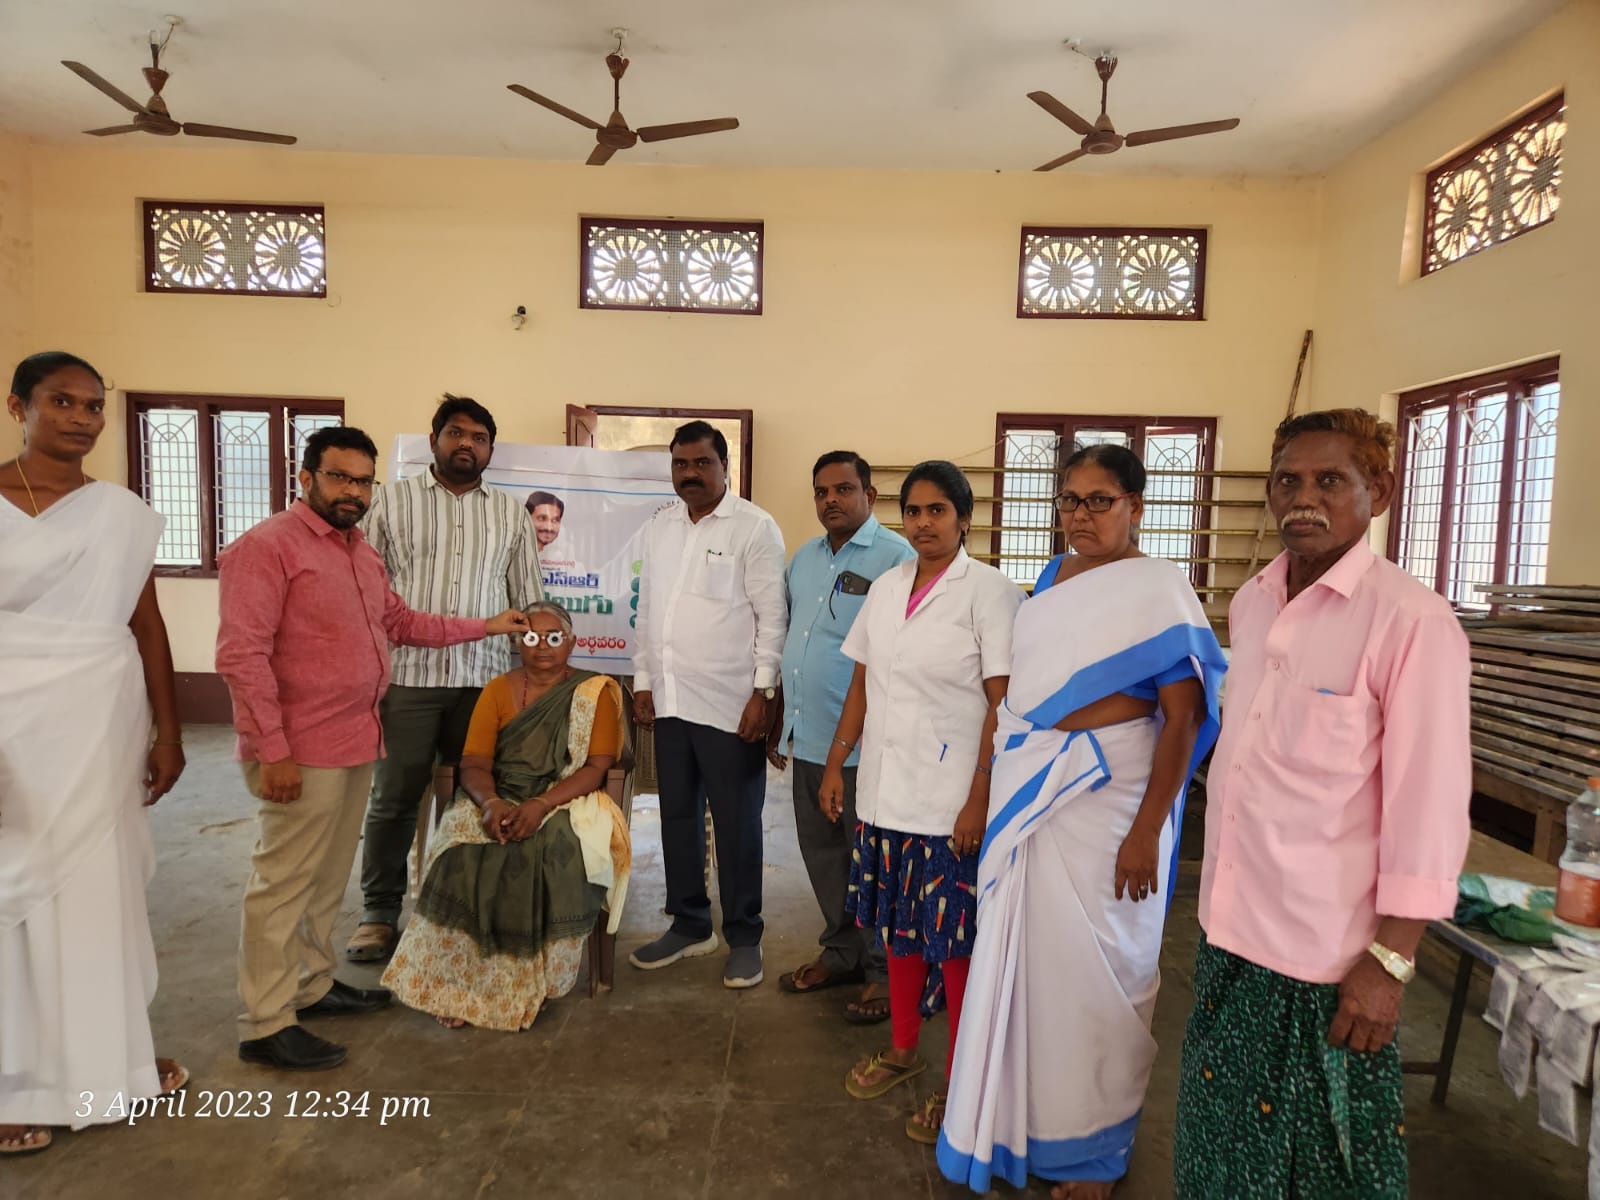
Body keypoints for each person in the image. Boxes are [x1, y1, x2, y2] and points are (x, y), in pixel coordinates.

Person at [1173, 409, 1471, 1199]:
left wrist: (1390, 962)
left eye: (1330, 480)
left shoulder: (1411, 622)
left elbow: (1429, 810)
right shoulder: (1256, 602)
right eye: (1288, 480)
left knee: (1313, 1172)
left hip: (1325, 962)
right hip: (1229, 933)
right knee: (1217, 1155)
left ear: (1379, 491)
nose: (1303, 498)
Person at [938, 445, 1227, 1197]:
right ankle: (1024, 1127)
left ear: (1136, 506)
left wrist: (1146, 831)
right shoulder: (1048, 581)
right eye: (1069, 500)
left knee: (1104, 976)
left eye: (1100, 500)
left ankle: (1096, 1153)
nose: (1081, 515)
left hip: (1112, 804)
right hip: (1034, 792)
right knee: (1035, 974)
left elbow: (1183, 718)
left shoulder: (1159, 589)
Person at [216, 425, 529, 1071]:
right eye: (339, 477)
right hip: (298, 747)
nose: (353, 492)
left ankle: (310, 984)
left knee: (326, 878)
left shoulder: (358, 552)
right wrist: (272, 750)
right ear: (305, 477)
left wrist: (487, 625)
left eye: (363, 481)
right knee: (282, 884)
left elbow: (401, 623)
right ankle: (266, 1021)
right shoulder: (268, 547)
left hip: (356, 737)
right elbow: (241, 656)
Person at [0, 351, 189, 1155]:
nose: (81, 418)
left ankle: (112, 1062)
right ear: (19, 407)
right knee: (17, 893)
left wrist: (169, 732)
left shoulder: (120, 512)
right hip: (10, 727)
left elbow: (146, 624)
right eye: (61, 401)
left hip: (99, 722)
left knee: (97, 887)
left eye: (93, 405)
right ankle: (15, 1083)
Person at [822, 460, 1022, 1143]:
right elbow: (862, 685)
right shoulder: (886, 588)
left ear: (964, 518)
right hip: (885, 797)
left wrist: (978, 797)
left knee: (955, 945)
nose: (923, 523)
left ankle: (960, 1085)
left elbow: (1003, 705)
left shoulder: (990, 594)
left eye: (938, 510)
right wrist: (836, 763)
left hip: (949, 808)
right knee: (900, 934)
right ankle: (904, 1049)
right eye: (913, 511)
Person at [346, 395, 543, 964]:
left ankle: (454, 908)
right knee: (394, 797)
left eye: (479, 438)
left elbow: (528, 599)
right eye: (456, 433)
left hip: (484, 682)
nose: (466, 445)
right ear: (433, 440)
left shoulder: (510, 514)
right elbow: (365, 590)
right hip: (408, 676)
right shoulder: (391, 503)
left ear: (490, 450)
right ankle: (379, 912)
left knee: (472, 799)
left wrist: (533, 679)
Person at [382, 602, 631, 1029]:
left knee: (551, 851)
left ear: (571, 642)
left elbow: (595, 767)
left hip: (566, 797)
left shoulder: (595, 692)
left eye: (554, 637)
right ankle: (457, 984)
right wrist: (491, 804)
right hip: (498, 794)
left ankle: (531, 983)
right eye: (531, 637)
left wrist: (541, 805)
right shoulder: (498, 689)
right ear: (518, 643)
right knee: (458, 852)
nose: (542, 646)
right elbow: (475, 762)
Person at [627, 420, 787, 988]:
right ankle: (691, 923)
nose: (690, 474)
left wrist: (763, 693)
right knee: (677, 816)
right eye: (680, 464)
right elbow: (647, 611)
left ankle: (745, 936)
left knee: (738, 824)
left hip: (730, 703)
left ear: (725, 468)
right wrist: (643, 680)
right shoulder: (659, 527)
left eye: (701, 463)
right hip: (670, 699)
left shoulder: (754, 527)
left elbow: (772, 618)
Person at [768, 451, 912, 1024]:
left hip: (864, 745)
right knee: (823, 854)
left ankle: (883, 970)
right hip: (807, 736)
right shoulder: (804, 558)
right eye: (822, 491)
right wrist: (781, 719)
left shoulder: (897, 559)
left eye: (843, 489)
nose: (831, 499)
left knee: (869, 859)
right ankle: (842, 952)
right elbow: (793, 642)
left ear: (869, 496)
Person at [525, 490, 566, 559]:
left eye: (555, 520)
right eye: (542, 518)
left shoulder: (558, 557)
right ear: (527, 518)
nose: (549, 528)